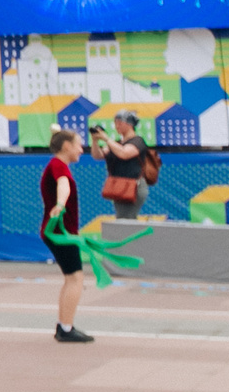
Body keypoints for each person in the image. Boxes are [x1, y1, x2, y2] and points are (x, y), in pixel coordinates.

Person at [40, 128, 93, 343]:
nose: (82, 149)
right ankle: (66, 328)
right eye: (78, 144)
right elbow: (63, 185)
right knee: (75, 279)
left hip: (59, 232)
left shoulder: (57, 165)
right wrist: (60, 204)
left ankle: (63, 326)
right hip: (61, 233)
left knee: (71, 278)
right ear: (66, 146)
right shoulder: (58, 166)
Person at [96, 112, 150, 218]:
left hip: (133, 186)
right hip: (119, 185)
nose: (117, 126)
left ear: (130, 124)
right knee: (122, 217)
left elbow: (124, 153)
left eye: (120, 123)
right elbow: (98, 155)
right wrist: (95, 140)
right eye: (115, 123)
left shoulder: (138, 141)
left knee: (126, 218)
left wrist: (107, 139)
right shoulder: (117, 143)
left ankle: (129, 235)